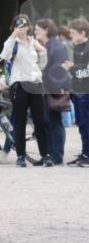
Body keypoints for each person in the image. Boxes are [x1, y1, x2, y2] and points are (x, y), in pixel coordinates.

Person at [0, 15, 49, 167]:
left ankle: (45, 155)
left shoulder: (33, 42)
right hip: (19, 84)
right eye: (19, 25)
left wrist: (40, 68)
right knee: (20, 121)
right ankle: (20, 156)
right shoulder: (13, 43)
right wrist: (13, 36)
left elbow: (44, 57)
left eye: (24, 25)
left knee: (40, 121)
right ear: (14, 27)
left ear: (28, 27)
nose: (22, 28)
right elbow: (4, 56)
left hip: (35, 83)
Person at [36, 18, 70, 166]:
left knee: (54, 122)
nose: (35, 31)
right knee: (48, 122)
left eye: (38, 29)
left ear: (46, 30)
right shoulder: (47, 45)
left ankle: (56, 155)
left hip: (53, 89)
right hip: (45, 88)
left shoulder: (56, 46)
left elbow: (59, 68)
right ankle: (50, 154)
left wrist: (58, 87)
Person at [64, 18, 89, 166]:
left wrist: (72, 68)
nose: (71, 36)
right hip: (78, 91)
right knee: (81, 123)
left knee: (86, 123)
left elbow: (86, 71)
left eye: (73, 33)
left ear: (83, 33)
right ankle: (85, 152)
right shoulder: (77, 47)